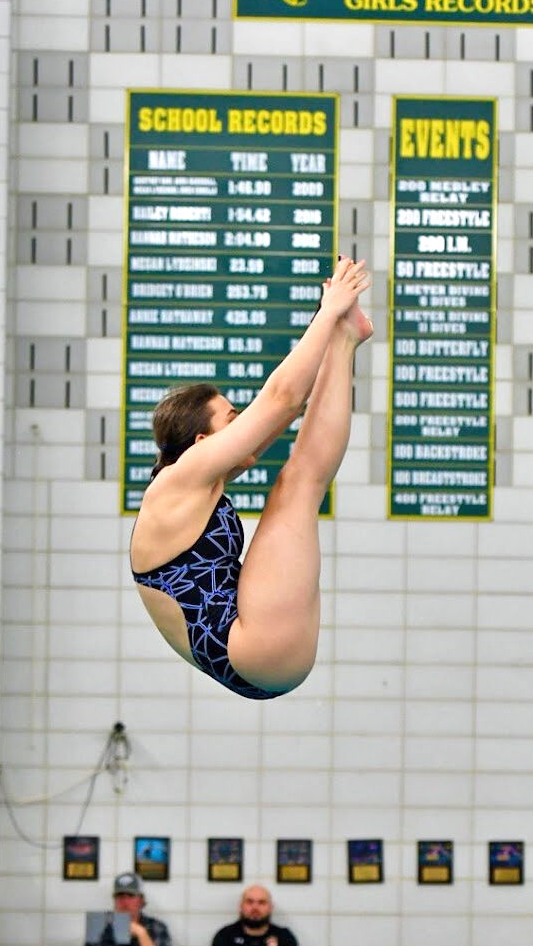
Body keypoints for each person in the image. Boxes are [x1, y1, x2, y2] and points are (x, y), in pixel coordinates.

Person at [130, 255, 372, 699]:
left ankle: (346, 340)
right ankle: (342, 337)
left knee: (301, 478)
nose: (242, 428)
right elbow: (281, 398)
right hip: (253, 649)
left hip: (252, 656)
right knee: (299, 483)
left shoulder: (191, 489)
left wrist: (333, 325)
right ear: (201, 441)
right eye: (231, 419)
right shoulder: (177, 483)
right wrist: (330, 308)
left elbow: (284, 415)